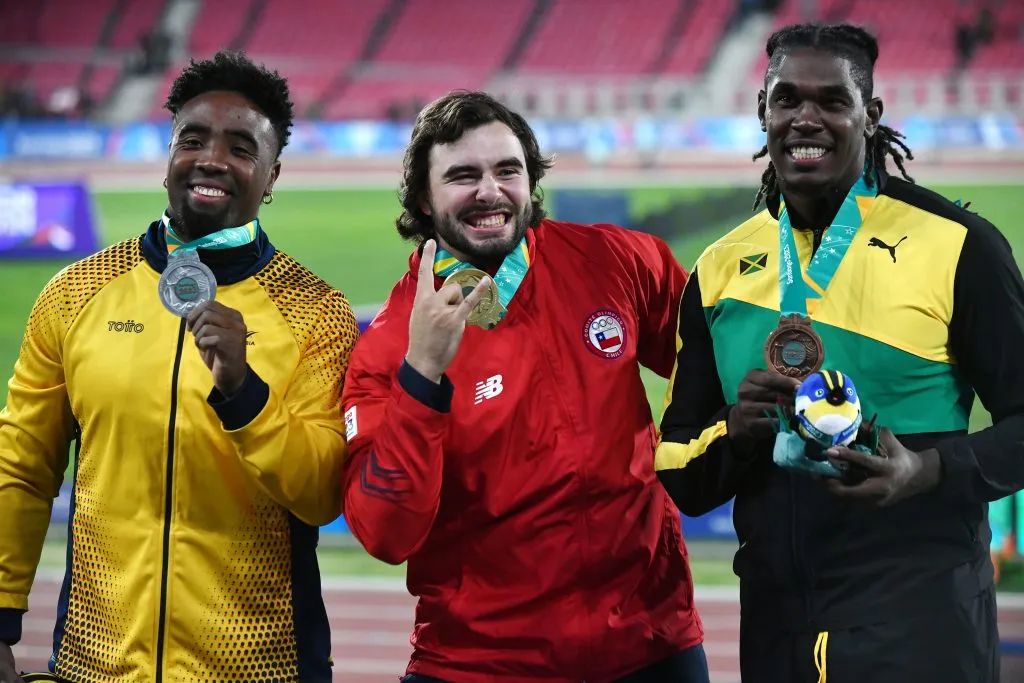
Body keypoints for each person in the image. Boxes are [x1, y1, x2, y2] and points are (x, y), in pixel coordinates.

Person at [654, 22, 1024, 683]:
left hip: (922, 624)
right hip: (776, 628)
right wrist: (734, 435)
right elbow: (679, 465)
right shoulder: (718, 269)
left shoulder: (960, 246)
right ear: (761, 112)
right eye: (786, 99)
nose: (806, 118)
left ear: (870, 114)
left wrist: (928, 470)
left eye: (831, 100)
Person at [0, 50, 358, 683]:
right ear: (168, 155)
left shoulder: (314, 311)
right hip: (96, 663)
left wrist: (245, 394)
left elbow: (323, 491)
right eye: (192, 140)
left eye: (241, 147)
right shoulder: (77, 291)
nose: (212, 158)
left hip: (261, 667)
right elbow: (21, 469)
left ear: (272, 176)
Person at [338, 91, 708, 683]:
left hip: (650, 643)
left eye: (507, 170)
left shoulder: (615, 261)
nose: (490, 191)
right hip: (480, 664)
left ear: (530, 182)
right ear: (422, 201)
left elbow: (715, 369)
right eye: (462, 176)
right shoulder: (389, 347)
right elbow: (385, 533)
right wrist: (422, 375)